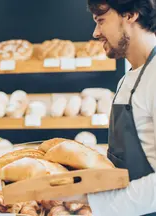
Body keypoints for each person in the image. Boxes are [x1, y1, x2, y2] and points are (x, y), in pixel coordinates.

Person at [56, 1, 156, 215]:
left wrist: (92, 199)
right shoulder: (126, 80)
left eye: (101, 21)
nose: (95, 32)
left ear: (130, 15)